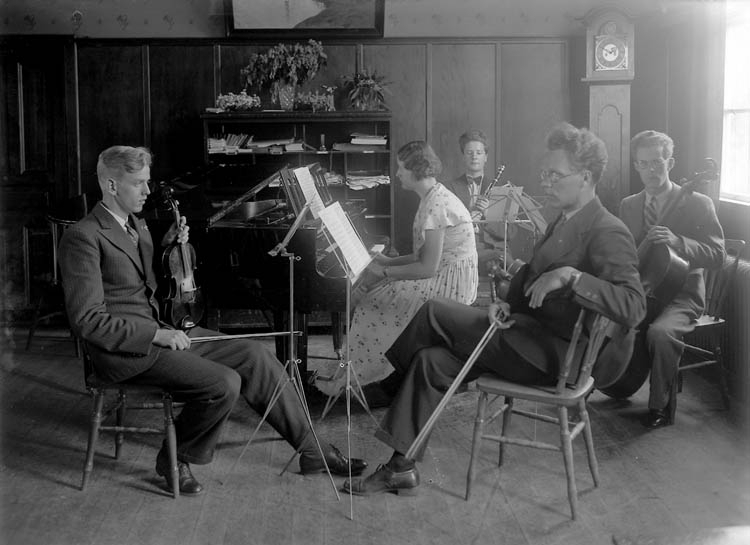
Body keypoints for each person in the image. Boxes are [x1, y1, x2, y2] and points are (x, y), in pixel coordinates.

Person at [343, 122, 646, 496]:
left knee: (434, 311)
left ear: (585, 177)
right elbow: (533, 276)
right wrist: (504, 301)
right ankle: (400, 468)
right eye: (545, 174)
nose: (546, 182)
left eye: (555, 175)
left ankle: (388, 386)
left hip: (556, 355)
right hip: (524, 335)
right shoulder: (564, 219)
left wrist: (571, 277)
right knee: (431, 361)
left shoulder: (606, 228)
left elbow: (633, 306)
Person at [59, 146, 366, 496]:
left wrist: (169, 247)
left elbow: (144, 286)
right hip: (126, 352)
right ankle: (174, 458)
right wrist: (155, 335)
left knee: (257, 356)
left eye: (147, 182)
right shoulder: (83, 237)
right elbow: (87, 321)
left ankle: (312, 451)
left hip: (162, 332)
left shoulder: (136, 226)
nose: (147, 191)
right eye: (138, 183)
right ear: (112, 185)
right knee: (223, 383)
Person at [313, 140, 478, 398]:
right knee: (379, 289)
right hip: (444, 274)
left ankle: (363, 380)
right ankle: (357, 374)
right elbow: (423, 255)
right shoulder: (432, 197)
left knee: (373, 299)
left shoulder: (437, 205)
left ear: (417, 170)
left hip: (450, 284)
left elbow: (427, 268)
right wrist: (387, 262)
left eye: (402, 168)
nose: (398, 173)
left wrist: (384, 272)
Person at [619, 130, 725, 429]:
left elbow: (718, 255)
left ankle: (660, 407)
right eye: (643, 163)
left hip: (683, 292)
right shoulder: (629, 204)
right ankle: (611, 381)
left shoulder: (698, 203)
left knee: (660, 333)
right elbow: (624, 250)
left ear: (671, 162)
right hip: (642, 290)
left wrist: (679, 241)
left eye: (657, 162)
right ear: (636, 166)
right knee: (603, 314)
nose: (650, 170)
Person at [444, 129, 509, 274]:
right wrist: (467, 218)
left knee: (504, 262)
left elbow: (509, 233)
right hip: (464, 247)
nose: (474, 157)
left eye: (479, 153)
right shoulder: (449, 188)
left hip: (495, 248)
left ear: (486, 157)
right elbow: (444, 227)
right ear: (463, 156)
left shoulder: (501, 188)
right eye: (469, 153)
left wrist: (488, 214)